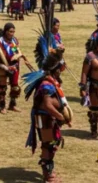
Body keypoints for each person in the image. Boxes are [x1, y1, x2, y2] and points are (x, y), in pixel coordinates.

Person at [23, 40, 70, 183]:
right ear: (55, 70)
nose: (62, 69)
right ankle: (47, 175)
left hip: (49, 117)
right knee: (47, 144)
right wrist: (61, 116)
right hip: (44, 118)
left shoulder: (51, 81)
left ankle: (49, 171)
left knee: (52, 143)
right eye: (60, 67)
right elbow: (48, 105)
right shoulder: (46, 84)